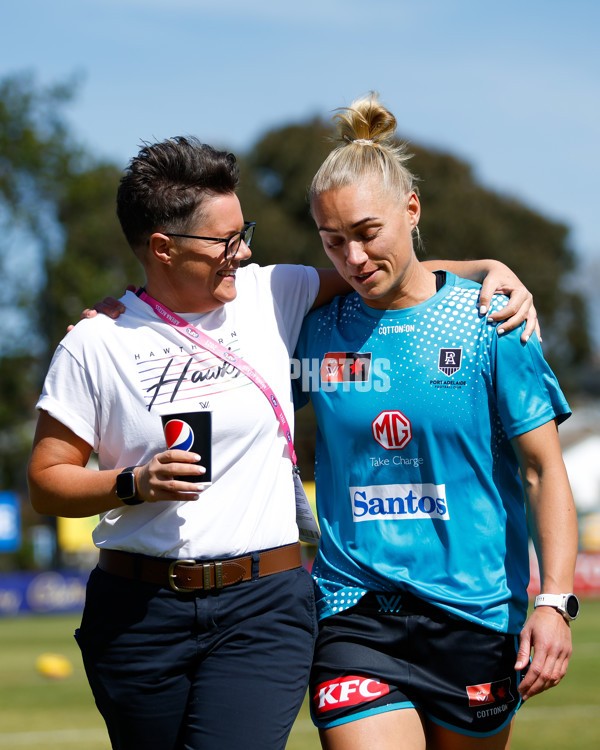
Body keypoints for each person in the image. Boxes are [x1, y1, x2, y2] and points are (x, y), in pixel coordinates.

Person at [29, 134, 537, 750]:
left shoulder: (275, 293)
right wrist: (131, 483)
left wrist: (490, 269)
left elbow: (384, 271)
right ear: (163, 247)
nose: (242, 255)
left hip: (263, 607)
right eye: (225, 241)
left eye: (246, 234)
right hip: (137, 614)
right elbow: (47, 480)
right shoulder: (98, 341)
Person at [293, 94, 578, 750]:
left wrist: (553, 601)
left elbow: (543, 470)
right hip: (352, 613)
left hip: (475, 616)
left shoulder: (492, 323)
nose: (353, 258)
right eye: (333, 242)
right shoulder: (315, 337)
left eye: (367, 232)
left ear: (412, 209)